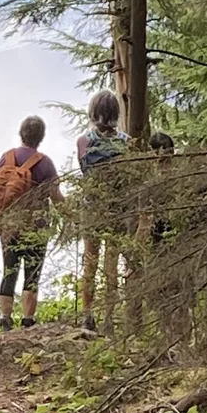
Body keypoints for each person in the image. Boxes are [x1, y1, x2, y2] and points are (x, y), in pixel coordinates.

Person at [0, 115, 63, 331]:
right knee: (32, 273)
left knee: (9, 270)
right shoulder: (45, 163)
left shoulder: (5, 159)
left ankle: (5, 318)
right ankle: (27, 320)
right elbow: (56, 197)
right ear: (41, 137)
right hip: (35, 227)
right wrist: (72, 215)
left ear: (21, 133)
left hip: (9, 226)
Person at [77, 90, 130, 333]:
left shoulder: (84, 141)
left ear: (93, 112)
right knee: (112, 263)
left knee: (90, 261)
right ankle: (109, 318)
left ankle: (87, 315)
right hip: (117, 208)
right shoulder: (126, 142)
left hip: (92, 207)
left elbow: (84, 169)